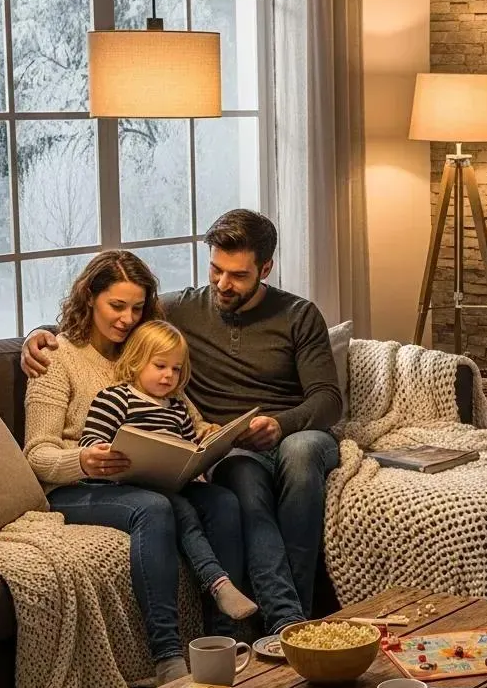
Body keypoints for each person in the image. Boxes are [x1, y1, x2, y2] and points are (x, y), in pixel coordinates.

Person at [23, 209, 342, 634]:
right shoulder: (173, 314)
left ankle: (291, 622)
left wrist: (271, 426)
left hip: (288, 432)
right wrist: (37, 334)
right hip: (194, 457)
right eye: (215, 269)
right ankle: (274, 625)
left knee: (295, 460)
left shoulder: (296, 316)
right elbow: (89, 329)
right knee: (238, 486)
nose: (223, 284)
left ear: (265, 269)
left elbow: (327, 399)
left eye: (238, 275)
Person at [23, 251, 247, 685]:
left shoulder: (146, 353)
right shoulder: (56, 357)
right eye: (117, 306)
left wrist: (207, 437)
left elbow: (189, 417)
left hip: (146, 479)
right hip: (78, 486)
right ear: (90, 297)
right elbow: (36, 454)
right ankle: (166, 657)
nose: (127, 319)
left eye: (137, 307)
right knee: (155, 509)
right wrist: (82, 459)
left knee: (221, 502)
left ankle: (223, 642)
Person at [80, 319, 258, 623]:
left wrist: (204, 452)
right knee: (181, 509)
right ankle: (218, 582)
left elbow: (190, 449)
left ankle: (224, 633)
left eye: (176, 369)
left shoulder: (176, 407)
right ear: (136, 361)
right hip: (128, 486)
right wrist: (101, 453)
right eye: (160, 366)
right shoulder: (114, 398)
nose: (169, 376)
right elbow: (91, 442)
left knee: (224, 500)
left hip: (172, 481)